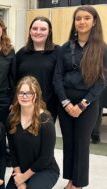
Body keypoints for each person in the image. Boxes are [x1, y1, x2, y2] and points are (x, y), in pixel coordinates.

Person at [53, 5, 107, 189]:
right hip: (65, 102)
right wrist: (66, 102)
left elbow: (102, 81)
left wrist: (82, 104)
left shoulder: (102, 49)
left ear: (94, 22)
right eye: (78, 18)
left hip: (88, 103)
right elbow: (57, 77)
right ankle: (71, 180)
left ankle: (79, 183)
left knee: (82, 144)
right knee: (69, 143)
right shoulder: (65, 48)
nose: (82, 22)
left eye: (86, 18)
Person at [6, 76, 59, 189]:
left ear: (36, 95)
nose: (24, 96)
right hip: (21, 170)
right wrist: (19, 181)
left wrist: (23, 178)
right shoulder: (12, 118)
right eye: (21, 93)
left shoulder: (45, 121)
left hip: (44, 169)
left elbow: (45, 158)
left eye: (29, 93)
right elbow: (13, 151)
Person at [16, 16, 60, 122]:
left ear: (49, 32)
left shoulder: (58, 52)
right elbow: (14, 79)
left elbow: (60, 79)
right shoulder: (22, 53)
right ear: (30, 31)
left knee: (44, 136)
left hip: (48, 106)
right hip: (24, 104)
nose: (38, 32)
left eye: (43, 29)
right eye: (34, 29)